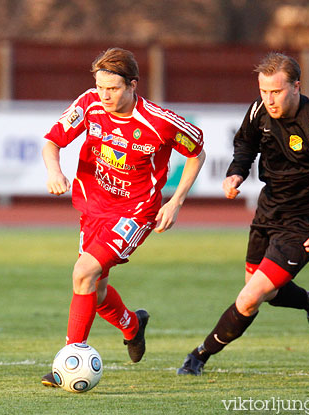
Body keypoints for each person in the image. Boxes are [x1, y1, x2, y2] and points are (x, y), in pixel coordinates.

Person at [176, 52, 309, 376]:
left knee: (250, 296)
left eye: (277, 91)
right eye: (264, 91)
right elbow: (245, 144)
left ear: (296, 86)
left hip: (306, 222)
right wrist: (236, 172)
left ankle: (199, 356)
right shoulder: (259, 110)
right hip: (269, 212)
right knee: (263, 292)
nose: (269, 99)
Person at [40, 47, 206, 387]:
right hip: (93, 207)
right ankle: (132, 325)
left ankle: (70, 360)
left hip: (135, 212)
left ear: (133, 85)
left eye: (112, 89)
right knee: (95, 291)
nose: (105, 95)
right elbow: (51, 143)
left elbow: (197, 153)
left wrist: (175, 202)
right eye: (100, 87)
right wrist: (54, 171)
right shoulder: (89, 104)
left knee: (83, 272)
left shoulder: (159, 122)